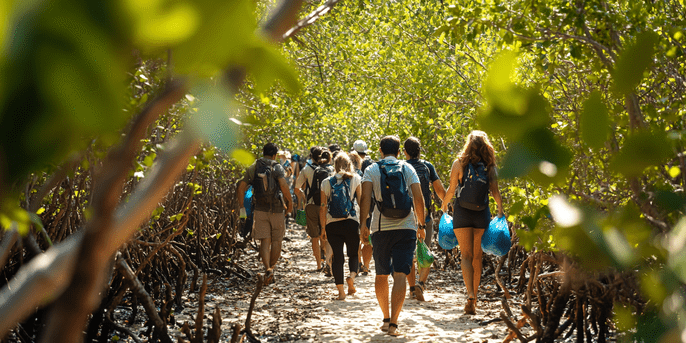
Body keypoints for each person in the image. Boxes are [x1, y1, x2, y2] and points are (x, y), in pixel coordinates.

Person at [359, 135, 425, 337]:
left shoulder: (371, 169)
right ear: (399, 152)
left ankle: (386, 318)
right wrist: (420, 224)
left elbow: (365, 199)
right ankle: (395, 324)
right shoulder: (407, 168)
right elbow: (418, 198)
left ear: (380, 151)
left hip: (380, 228)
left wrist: (363, 224)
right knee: (399, 275)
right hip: (406, 227)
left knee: (381, 274)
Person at [441, 130, 504, 315]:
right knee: (477, 257)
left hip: (462, 213)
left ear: (468, 144)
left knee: (466, 256)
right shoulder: (490, 166)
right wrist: (500, 211)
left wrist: (444, 206)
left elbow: (452, 189)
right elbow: (495, 192)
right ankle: (474, 298)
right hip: (481, 213)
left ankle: (469, 294)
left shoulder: (459, 163)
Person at [237, 143, 293, 284]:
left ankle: (267, 267)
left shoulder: (254, 167)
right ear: (274, 155)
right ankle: (272, 268)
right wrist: (290, 202)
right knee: (277, 240)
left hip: (260, 209)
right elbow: (284, 186)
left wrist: (242, 207)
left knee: (264, 241)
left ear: (263, 153)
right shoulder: (277, 167)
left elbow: (241, 187)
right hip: (277, 209)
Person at [403, 137, 447, 301]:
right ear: (420, 150)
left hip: (406, 218)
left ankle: (412, 288)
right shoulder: (428, 166)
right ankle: (421, 283)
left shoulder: (402, 166)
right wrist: (446, 205)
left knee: (409, 254)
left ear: (405, 152)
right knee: (424, 252)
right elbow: (439, 190)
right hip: (425, 216)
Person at [319, 153, 362, 300]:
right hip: (351, 221)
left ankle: (341, 292)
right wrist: (364, 223)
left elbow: (323, 207)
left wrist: (323, 228)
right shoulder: (356, 179)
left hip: (332, 223)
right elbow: (361, 202)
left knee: (337, 257)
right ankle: (351, 278)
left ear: (334, 165)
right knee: (353, 253)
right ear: (349, 164)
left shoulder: (326, 182)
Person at [294, 146, 334, 274]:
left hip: (310, 205)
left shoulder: (306, 169)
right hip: (326, 205)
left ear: (311, 156)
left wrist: (303, 197)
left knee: (314, 237)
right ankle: (328, 262)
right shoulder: (330, 169)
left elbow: (296, 188)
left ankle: (318, 264)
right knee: (326, 234)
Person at [352, 140, 374, 275]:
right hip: (368, 206)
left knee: (355, 237)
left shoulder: (347, 163)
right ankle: (365, 265)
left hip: (353, 207)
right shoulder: (371, 164)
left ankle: (359, 262)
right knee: (367, 237)